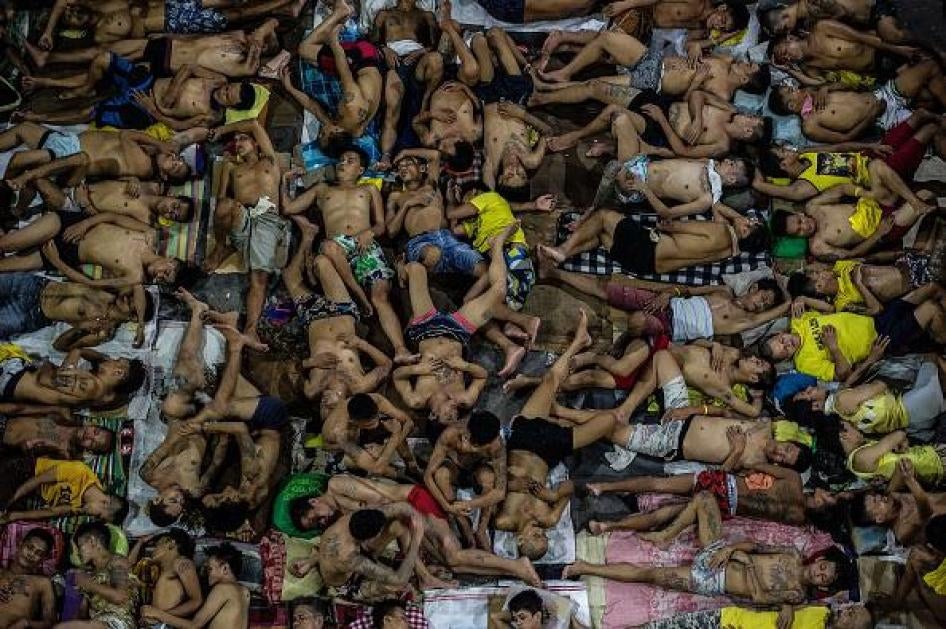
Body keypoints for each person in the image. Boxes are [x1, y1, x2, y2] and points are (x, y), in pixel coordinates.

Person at [496, 311, 622, 560]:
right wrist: (554, 495)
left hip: (522, 440)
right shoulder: (548, 519)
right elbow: (574, 487)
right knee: (611, 420)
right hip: (550, 451)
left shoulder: (503, 520)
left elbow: (488, 486)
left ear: (519, 539)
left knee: (551, 379)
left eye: (535, 537)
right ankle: (560, 415)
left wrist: (509, 485)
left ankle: (579, 342)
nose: (540, 533)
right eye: (543, 537)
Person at [288, 474, 541, 586]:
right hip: (396, 514)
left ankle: (518, 566)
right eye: (314, 526)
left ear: (314, 502)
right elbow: (336, 551)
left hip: (411, 501)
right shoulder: (341, 523)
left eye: (314, 518)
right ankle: (514, 570)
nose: (320, 523)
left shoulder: (336, 486)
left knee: (451, 556)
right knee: (452, 563)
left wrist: (416, 528)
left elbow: (382, 501)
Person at [284, 148, 410, 363]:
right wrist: (285, 181)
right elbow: (288, 208)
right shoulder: (323, 189)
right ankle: (359, 296)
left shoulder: (369, 189)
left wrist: (369, 232)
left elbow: (381, 226)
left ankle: (401, 350)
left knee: (380, 296)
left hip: (365, 244)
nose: (342, 163)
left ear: (360, 169)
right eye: (341, 159)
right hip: (337, 246)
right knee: (328, 248)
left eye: (350, 161)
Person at [393, 225, 518, 426]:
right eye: (456, 416)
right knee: (499, 291)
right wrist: (465, 366)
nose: (454, 411)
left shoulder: (416, 400)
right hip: (458, 332)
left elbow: (397, 376)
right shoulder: (464, 399)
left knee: (416, 269)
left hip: (426, 328)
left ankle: (402, 271)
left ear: (433, 415)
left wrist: (418, 369)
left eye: (448, 415)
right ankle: (498, 245)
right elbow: (482, 376)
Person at [280, 217, 393, 410]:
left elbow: (290, 369)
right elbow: (386, 365)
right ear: (344, 406)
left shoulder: (312, 390)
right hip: (342, 310)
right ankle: (323, 272)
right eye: (330, 409)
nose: (324, 404)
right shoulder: (358, 385)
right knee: (322, 262)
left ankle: (308, 236)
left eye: (323, 410)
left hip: (313, 317)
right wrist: (360, 344)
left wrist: (310, 362)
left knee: (289, 276)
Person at [564, 535, 853, 605]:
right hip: (721, 554)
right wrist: (732, 550)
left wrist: (745, 562)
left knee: (650, 574)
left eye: (825, 577)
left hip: (716, 579)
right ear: (819, 560)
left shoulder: (797, 594)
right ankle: (664, 532)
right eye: (824, 567)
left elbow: (758, 597)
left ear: (824, 586)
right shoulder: (792, 553)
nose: (821, 573)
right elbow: (752, 544)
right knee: (704, 498)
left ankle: (586, 567)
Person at [203, 119, 290, 349]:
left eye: (243, 139)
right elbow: (221, 199)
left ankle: (251, 330)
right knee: (223, 206)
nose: (238, 143)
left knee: (258, 277)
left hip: (267, 221)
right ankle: (222, 247)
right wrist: (226, 168)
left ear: (256, 143)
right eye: (235, 141)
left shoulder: (269, 161)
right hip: (243, 218)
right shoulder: (233, 168)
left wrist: (222, 129)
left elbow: (253, 123)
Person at [538, 267, 789, 342]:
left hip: (670, 325)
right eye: (763, 299)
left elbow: (781, 310)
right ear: (754, 288)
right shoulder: (723, 290)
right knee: (606, 289)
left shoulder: (743, 321)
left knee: (637, 321)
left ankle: (623, 340)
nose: (760, 306)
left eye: (765, 306)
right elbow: (690, 290)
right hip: (668, 304)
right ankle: (554, 274)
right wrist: (670, 293)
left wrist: (791, 297)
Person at [763, 284, 946, 381]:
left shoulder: (797, 321)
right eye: (785, 350)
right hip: (880, 339)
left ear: (779, 334)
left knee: (932, 288)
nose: (788, 344)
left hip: (876, 319)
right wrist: (833, 347)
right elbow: (843, 375)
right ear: (787, 358)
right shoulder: (804, 363)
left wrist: (804, 298)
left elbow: (829, 307)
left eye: (782, 341)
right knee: (931, 308)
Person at [754, 110, 943, 203]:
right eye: (783, 153)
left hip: (870, 154)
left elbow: (839, 146)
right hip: (877, 175)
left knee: (919, 116)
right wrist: (757, 181)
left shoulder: (806, 154)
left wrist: (871, 145)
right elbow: (778, 190)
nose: (788, 150)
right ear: (784, 165)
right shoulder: (804, 185)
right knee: (929, 131)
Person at [586, 464, 812, 538]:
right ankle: (604, 492)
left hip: (726, 496)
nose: (823, 497)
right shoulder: (795, 491)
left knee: (663, 509)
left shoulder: (797, 506)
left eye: (828, 498)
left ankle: (607, 521)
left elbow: (755, 467)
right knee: (658, 489)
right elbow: (756, 467)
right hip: (726, 492)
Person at [537, 205, 769, 276]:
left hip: (650, 247)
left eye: (748, 227)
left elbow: (675, 226)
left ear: (744, 235)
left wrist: (663, 225)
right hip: (646, 267)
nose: (745, 221)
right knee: (599, 235)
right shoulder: (729, 252)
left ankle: (562, 250)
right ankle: (554, 263)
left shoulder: (719, 230)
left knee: (603, 216)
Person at [529, 53, 769, 110]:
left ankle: (545, 94)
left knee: (595, 84)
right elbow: (695, 48)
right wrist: (693, 51)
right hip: (659, 61)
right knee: (595, 79)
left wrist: (697, 79)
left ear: (746, 78)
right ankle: (548, 86)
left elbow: (686, 101)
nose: (744, 61)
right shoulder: (725, 59)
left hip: (654, 85)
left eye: (749, 66)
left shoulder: (723, 95)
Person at [0, 124, 194, 193]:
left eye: (175, 166)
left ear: (164, 175)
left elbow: (126, 135)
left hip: (70, 156)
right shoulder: (147, 154)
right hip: (69, 142)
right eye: (179, 159)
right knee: (23, 129)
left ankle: (12, 185)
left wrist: (160, 145)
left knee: (22, 157)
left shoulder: (145, 165)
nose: (175, 159)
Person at [790, 359, 946, 440]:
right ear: (815, 406)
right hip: (913, 402)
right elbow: (881, 385)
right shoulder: (841, 401)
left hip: (914, 418)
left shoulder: (843, 426)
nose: (809, 388)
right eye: (806, 394)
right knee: (930, 359)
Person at [295, 1, 382, 145]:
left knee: (316, 61)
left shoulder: (355, 131)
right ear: (336, 131)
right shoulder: (350, 106)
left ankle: (340, 18)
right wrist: (334, 42)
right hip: (363, 55)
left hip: (369, 66)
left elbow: (315, 109)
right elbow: (344, 71)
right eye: (324, 133)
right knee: (305, 49)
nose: (322, 129)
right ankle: (341, 12)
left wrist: (290, 88)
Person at [297, 505, 424, 602]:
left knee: (397, 525)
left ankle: (424, 573)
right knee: (396, 586)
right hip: (346, 583)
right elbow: (399, 580)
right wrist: (416, 541)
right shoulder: (349, 557)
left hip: (345, 552)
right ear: (367, 539)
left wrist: (416, 516)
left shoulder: (352, 517)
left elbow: (401, 506)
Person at [771, 184, 934, 260]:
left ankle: (937, 217)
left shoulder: (813, 207)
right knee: (924, 196)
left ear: (799, 213)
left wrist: (867, 193)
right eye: (799, 231)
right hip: (883, 227)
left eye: (800, 221)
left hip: (875, 204)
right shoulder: (818, 246)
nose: (805, 226)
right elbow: (851, 254)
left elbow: (841, 189)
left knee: (924, 191)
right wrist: (879, 234)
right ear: (797, 238)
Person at [38, 0, 301, 46]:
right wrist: (139, 18)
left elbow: (62, 1)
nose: (74, 13)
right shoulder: (99, 35)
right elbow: (136, 40)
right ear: (75, 28)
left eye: (71, 11)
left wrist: (48, 32)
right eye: (71, 19)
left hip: (173, 4)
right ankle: (284, 7)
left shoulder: (98, 4)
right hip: (174, 21)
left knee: (231, 1)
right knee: (237, 16)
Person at [769, 19, 916, 84]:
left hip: (884, 47)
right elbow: (818, 82)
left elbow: (862, 37)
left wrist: (898, 50)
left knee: (919, 48)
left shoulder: (821, 29)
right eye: (786, 59)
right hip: (880, 70)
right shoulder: (810, 66)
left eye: (785, 51)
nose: (789, 57)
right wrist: (789, 71)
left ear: (790, 38)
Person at [140, 543, 250, 629]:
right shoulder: (245, 592)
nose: (207, 574)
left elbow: (194, 625)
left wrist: (158, 614)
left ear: (225, 569)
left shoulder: (223, 589)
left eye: (210, 569)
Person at [0, 346, 146, 410]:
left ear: (119, 373)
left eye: (115, 360)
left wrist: (46, 364)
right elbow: (80, 351)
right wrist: (99, 358)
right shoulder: (97, 390)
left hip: (11, 376)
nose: (110, 360)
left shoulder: (91, 387)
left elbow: (45, 380)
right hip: (14, 377)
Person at [59, 521, 138, 629]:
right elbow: (82, 612)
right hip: (97, 623)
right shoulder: (91, 574)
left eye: (80, 546)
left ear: (92, 541)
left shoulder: (117, 562)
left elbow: (121, 596)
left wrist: (87, 583)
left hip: (118, 622)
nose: (77, 553)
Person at [321, 393, 419, 477]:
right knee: (383, 468)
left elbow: (408, 422)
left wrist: (383, 446)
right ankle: (402, 476)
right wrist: (393, 437)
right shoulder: (339, 432)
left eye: (376, 418)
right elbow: (377, 469)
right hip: (341, 450)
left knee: (395, 425)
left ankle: (411, 467)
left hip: (361, 437)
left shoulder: (375, 400)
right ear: (353, 421)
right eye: (369, 424)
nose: (375, 425)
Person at [3, 457, 127, 524]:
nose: (95, 518)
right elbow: (37, 480)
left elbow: (50, 512)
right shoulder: (80, 472)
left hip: (31, 493)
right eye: (100, 515)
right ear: (105, 502)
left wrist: (14, 516)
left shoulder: (82, 507)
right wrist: (9, 502)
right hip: (27, 472)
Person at [851, 460, 946, 546]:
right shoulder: (903, 533)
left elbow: (900, 467)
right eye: (876, 501)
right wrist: (911, 483)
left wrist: (906, 467)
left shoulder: (892, 496)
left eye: (876, 495)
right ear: (880, 518)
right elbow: (927, 515)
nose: (880, 497)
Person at [768, 84, 889, 142]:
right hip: (882, 121)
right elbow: (845, 139)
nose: (795, 87)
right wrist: (871, 116)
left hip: (881, 93)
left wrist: (826, 87)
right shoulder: (809, 126)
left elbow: (849, 86)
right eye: (791, 90)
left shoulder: (811, 90)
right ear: (792, 106)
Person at [128, 528, 202, 622]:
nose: (153, 550)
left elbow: (196, 601)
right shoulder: (160, 570)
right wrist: (140, 542)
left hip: (164, 624)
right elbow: (127, 565)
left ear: (171, 544)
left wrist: (160, 615)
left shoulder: (181, 563)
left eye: (157, 545)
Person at [840, 423, 946, 486]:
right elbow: (899, 434)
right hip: (936, 465)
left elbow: (899, 440)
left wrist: (902, 442)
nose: (856, 427)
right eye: (851, 426)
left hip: (933, 454)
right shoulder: (860, 458)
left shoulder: (861, 449)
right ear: (844, 435)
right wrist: (899, 439)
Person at [639, 603, 872, 629]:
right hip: (732, 616)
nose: (847, 610)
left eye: (851, 615)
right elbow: (788, 602)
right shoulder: (824, 609)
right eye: (852, 608)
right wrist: (788, 606)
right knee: (663, 626)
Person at [0, 406, 114, 459]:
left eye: (92, 443)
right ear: (92, 425)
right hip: (4, 418)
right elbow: (23, 409)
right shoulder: (64, 415)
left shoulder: (63, 451)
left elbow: (25, 452)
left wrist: (40, 443)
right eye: (95, 432)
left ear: (89, 450)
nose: (89, 436)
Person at [0, 529, 56, 629]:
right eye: (30, 547)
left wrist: (26, 623)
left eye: (38, 553)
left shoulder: (43, 583)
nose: (31, 554)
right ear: (20, 544)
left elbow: (50, 622)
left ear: (43, 559)